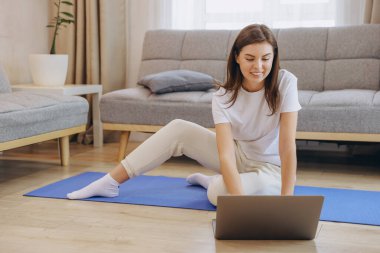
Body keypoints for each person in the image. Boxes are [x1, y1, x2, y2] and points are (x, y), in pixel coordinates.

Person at [67, 24, 301, 206]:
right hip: (238, 157)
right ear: (237, 57)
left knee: (220, 193)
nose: (258, 66)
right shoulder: (223, 95)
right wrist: (239, 202)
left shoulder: (285, 83)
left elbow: (287, 146)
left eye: (265, 58)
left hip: (270, 169)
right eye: (250, 58)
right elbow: (226, 155)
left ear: (274, 57)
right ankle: (109, 182)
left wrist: (287, 200)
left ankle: (213, 182)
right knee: (179, 127)